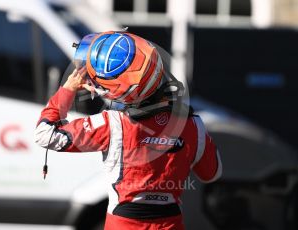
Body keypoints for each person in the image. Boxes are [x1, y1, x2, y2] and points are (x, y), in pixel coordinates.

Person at [35, 31, 222, 230]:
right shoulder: (194, 125)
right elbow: (212, 174)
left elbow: (45, 134)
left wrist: (68, 89)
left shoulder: (112, 124)